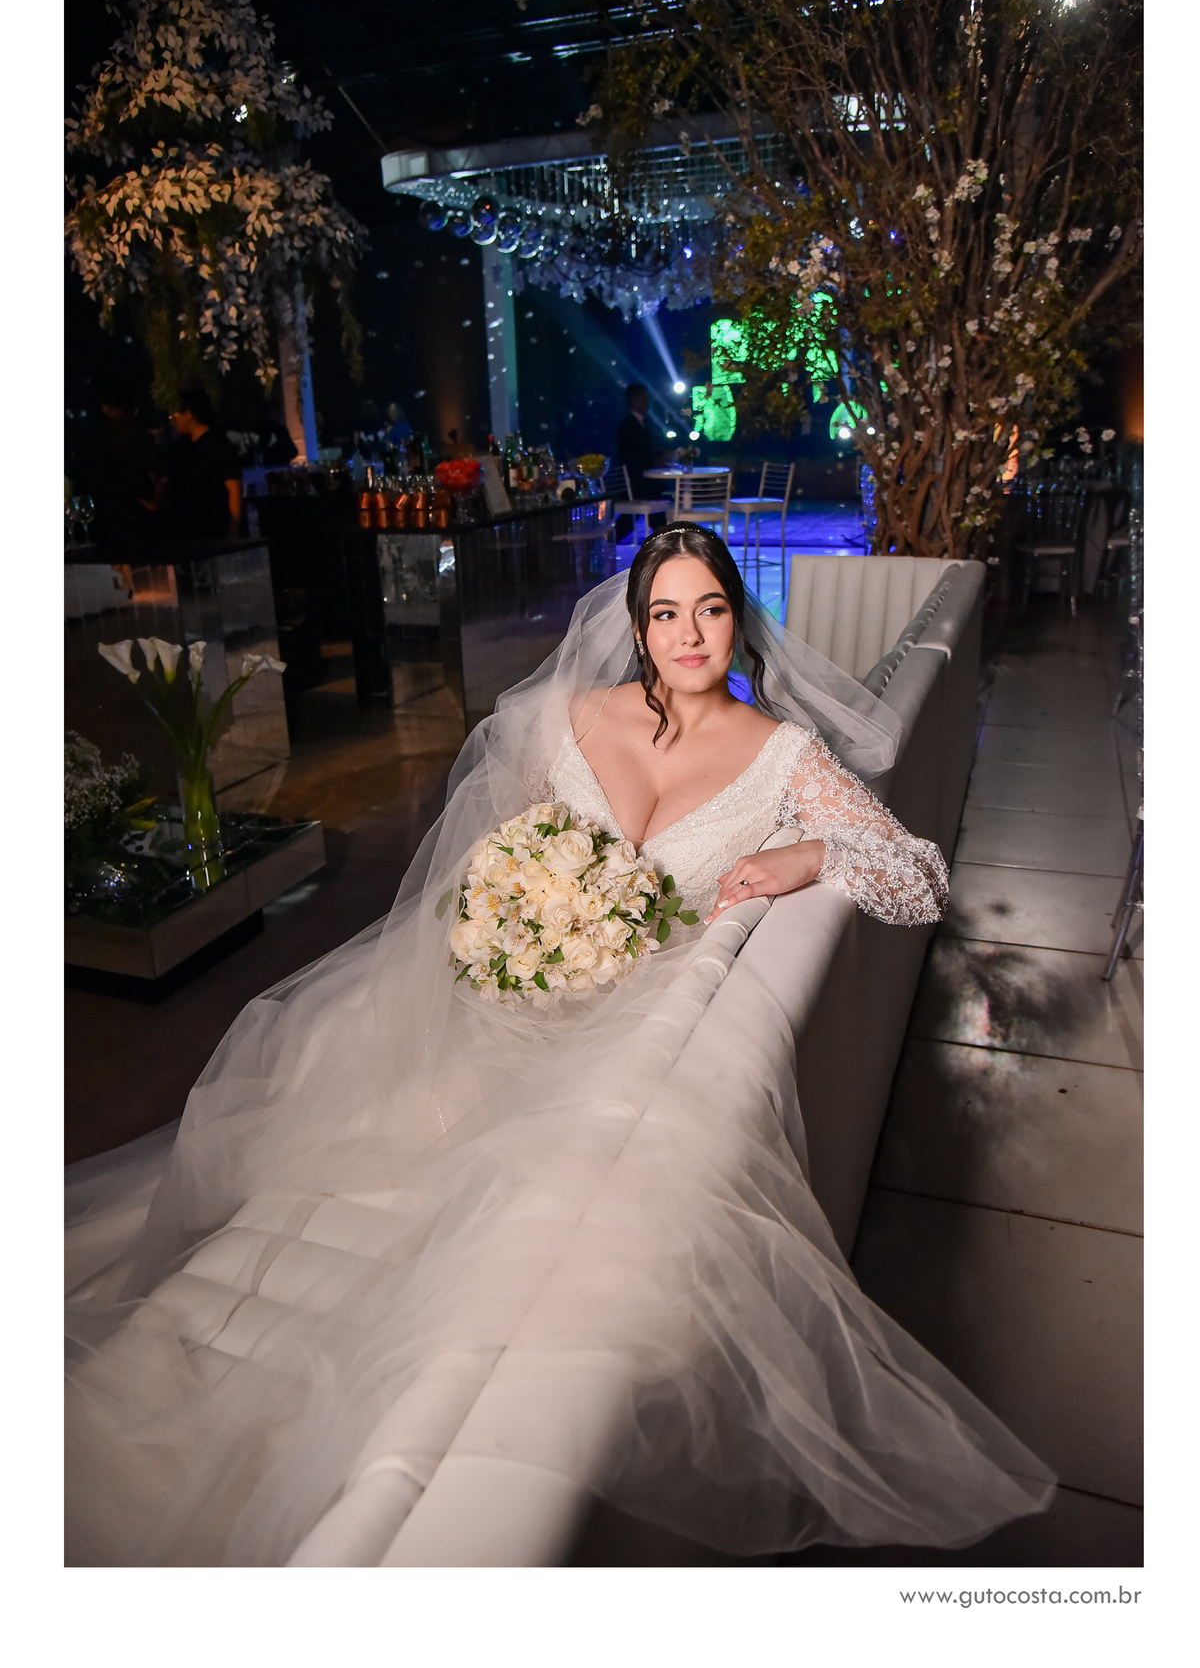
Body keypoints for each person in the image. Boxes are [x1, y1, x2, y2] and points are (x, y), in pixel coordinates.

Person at [65, 524, 1053, 1565]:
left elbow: (917, 874)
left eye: (710, 610)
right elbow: (495, 852)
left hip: (616, 1047)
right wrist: (507, 921)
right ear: (637, 626)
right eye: (665, 614)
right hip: (497, 1019)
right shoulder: (568, 714)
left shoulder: (783, 756)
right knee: (351, 1173)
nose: (689, 635)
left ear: (739, 620)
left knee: (460, 1255)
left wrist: (808, 855)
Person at [66, 384, 161, 540]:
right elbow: (159, 472)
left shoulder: (88, 440)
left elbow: (77, 479)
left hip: (99, 517)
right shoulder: (141, 437)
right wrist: (153, 503)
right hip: (137, 516)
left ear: (105, 408)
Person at [162, 388, 243, 540]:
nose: (172, 421)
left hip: (214, 527)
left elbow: (234, 488)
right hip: (189, 530)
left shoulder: (218, 445)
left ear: (189, 414)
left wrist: (233, 529)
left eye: (175, 415)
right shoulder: (181, 448)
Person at [614, 381, 671, 504]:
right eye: (643, 399)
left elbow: (643, 450)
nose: (647, 402)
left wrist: (661, 455)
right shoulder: (628, 425)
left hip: (641, 478)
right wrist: (655, 460)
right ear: (633, 401)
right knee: (662, 490)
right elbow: (633, 455)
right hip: (636, 482)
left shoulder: (640, 423)